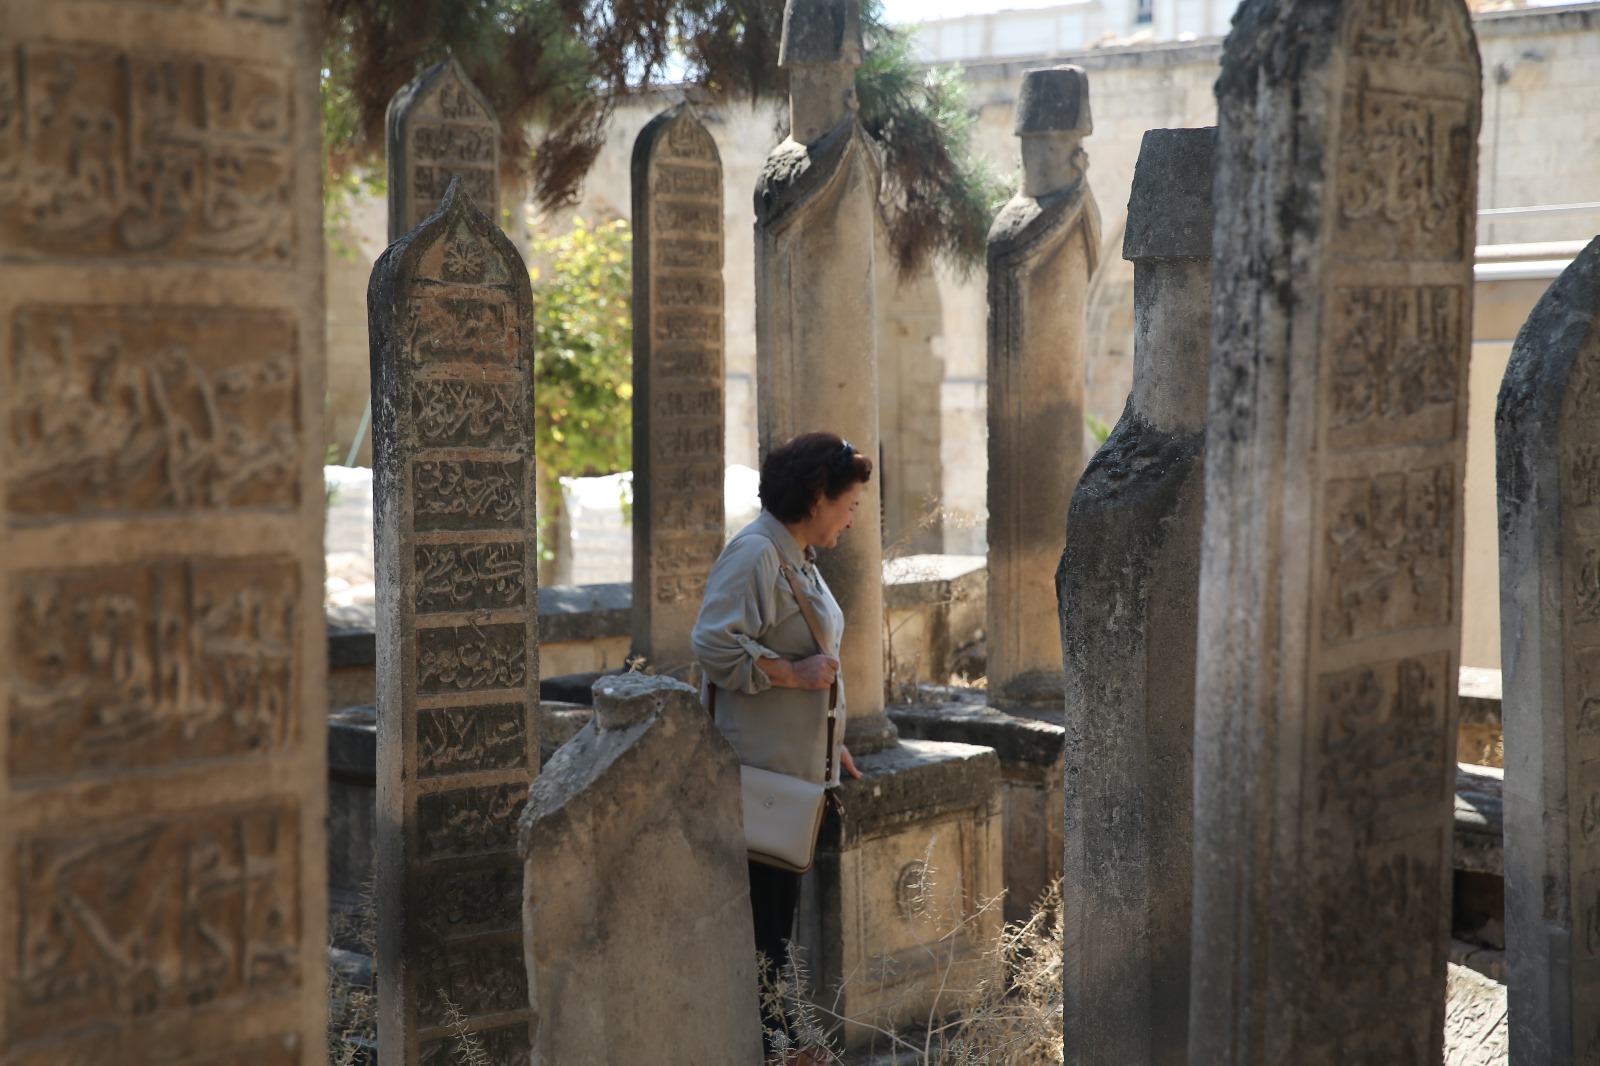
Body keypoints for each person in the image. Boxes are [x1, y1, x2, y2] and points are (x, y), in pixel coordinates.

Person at [692, 430, 870, 1058]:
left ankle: (782, 1038)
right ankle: (773, 1045)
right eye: (848, 505)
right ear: (818, 497)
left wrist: (832, 742)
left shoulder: (793, 552)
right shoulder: (757, 552)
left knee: (776, 928)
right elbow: (714, 643)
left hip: (795, 771)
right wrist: (791, 674)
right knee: (765, 929)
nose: (852, 519)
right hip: (761, 776)